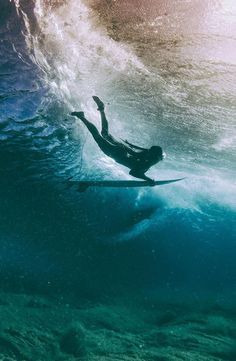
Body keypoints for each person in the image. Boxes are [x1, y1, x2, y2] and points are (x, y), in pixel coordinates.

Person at [71, 96, 164, 183]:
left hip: (122, 149)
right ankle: (81, 116)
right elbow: (133, 173)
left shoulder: (148, 155)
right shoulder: (148, 163)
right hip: (118, 155)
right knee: (97, 137)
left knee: (105, 133)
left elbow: (136, 154)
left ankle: (102, 109)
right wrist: (148, 179)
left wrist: (125, 146)